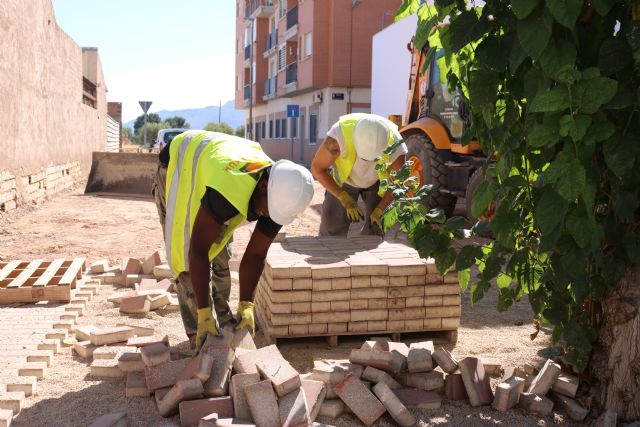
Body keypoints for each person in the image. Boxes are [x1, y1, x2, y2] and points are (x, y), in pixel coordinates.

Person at [158, 130, 314, 348]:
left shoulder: (279, 197)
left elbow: (256, 254)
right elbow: (198, 251)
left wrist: (247, 304)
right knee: (185, 255)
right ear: (262, 187)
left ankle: (225, 323)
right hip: (180, 167)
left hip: (216, 170)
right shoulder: (229, 190)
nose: (269, 218)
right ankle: (200, 336)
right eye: (269, 211)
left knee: (221, 252)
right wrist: (203, 311)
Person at [310, 113, 407, 236]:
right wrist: (342, 197)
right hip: (344, 182)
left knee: (375, 230)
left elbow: (397, 184)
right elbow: (317, 168)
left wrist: (380, 209)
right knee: (331, 229)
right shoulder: (339, 136)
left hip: (377, 183)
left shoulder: (396, 145)